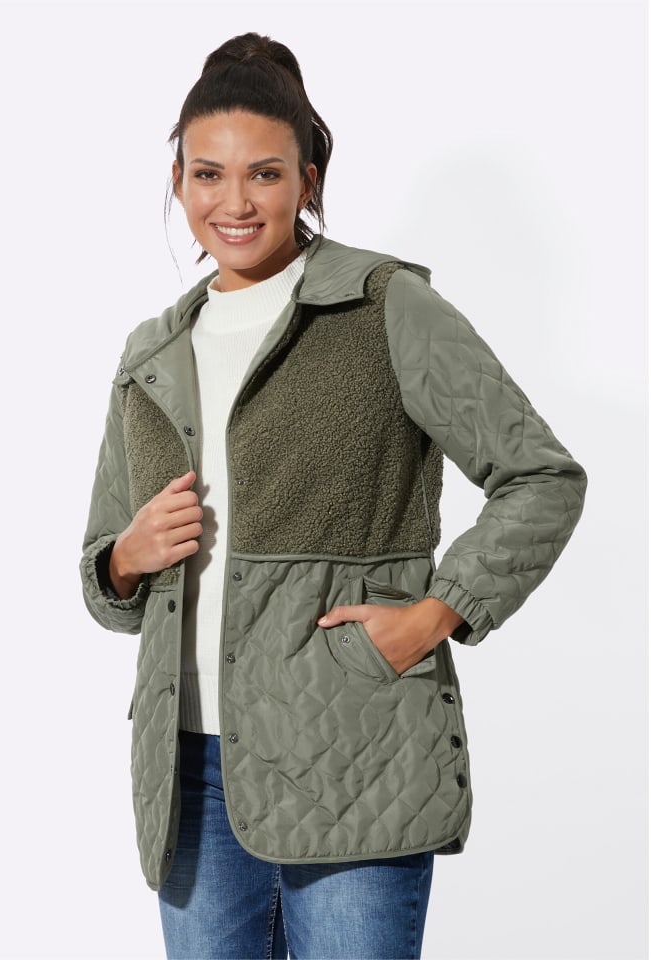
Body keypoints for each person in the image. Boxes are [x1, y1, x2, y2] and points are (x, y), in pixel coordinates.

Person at [80, 32, 586, 960]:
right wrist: (124, 558)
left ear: (307, 180)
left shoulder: (385, 306)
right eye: (208, 175)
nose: (235, 203)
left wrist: (435, 614)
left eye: (265, 174)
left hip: (355, 754)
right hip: (188, 776)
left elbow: (541, 476)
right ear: (179, 182)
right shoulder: (150, 352)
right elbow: (107, 585)